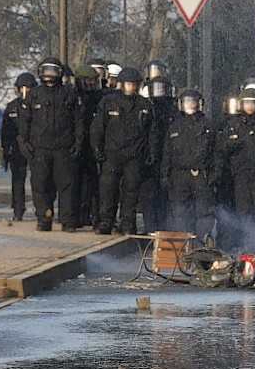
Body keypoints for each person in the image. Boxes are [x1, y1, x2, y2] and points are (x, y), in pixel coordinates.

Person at [18, 58, 84, 232]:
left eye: (52, 71)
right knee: (41, 185)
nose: (49, 74)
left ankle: (67, 220)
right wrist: (24, 142)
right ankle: (44, 218)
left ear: (60, 73)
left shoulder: (69, 93)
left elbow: (78, 120)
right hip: (40, 148)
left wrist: (78, 141)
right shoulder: (34, 94)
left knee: (67, 185)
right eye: (45, 71)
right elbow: (25, 121)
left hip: (63, 147)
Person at [91, 67, 156, 235]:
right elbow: (98, 127)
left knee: (131, 189)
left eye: (134, 84)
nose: (131, 87)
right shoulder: (109, 102)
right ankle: (106, 220)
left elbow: (151, 132)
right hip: (112, 153)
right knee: (108, 188)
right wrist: (97, 147)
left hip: (134, 154)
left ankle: (128, 222)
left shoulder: (144, 105)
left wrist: (151, 152)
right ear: (121, 84)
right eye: (128, 84)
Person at [216, 87, 255, 238]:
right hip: (240, 173)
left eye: (252, 103)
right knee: (244, 209)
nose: (249, 106)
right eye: (246, 102)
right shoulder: (233, 123)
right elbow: (222, 147)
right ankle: (247, 240)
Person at [161, 89, 215, 242]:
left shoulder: (207, 126)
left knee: (204, 210)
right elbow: (167, 152)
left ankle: (203, 241)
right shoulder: (175, 126)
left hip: (201, 174)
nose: (190, 104)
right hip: (179, 174)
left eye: (193, 101)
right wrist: (165, 174)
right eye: (187, 101)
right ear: (181, 104)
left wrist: (214, 173)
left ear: (199, 104)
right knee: (180, 210)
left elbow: (215, 152)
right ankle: (185, 242)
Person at [139, 75, 177, 233]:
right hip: (150, 157)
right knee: (149, 194)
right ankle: (151, 227)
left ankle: (163, 226)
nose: (159, 93)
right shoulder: (147, 107)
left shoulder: (173, 110)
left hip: (167, 156)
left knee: (165, 195)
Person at [0, 73, 37, 221]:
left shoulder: (36, 105)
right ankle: (18, 208)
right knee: (17, 180)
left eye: (27, 88)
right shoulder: (12, 107)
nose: (25, 91)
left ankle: (40, 208)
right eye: (22, 88)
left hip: (34, 146)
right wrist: (4, 147)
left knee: (38, 180)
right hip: (16, 147)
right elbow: (6, 130)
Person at [74, 63, 104, 228]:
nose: (91, 84)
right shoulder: (74, 97)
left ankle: (93, 214)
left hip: (93, 145)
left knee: (94, 183)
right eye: (88, 81)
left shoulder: (99, 99)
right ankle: (80, 214)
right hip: (80, 145)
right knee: (78, 182)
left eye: (93, 81)